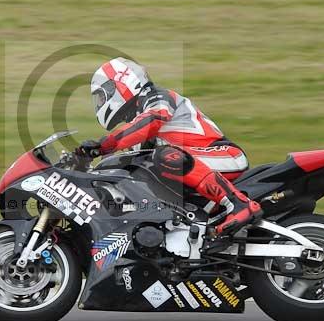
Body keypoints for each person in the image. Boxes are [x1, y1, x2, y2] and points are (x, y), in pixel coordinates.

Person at [76, 57, 262, 235]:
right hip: (199, 163)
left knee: (165, 155)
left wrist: (105, 145)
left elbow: (154, 118)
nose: (100, 103)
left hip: (224, 155)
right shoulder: (135, 124)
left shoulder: (156, 96)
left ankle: (239, 204)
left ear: (119, 85)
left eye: (102, 96)